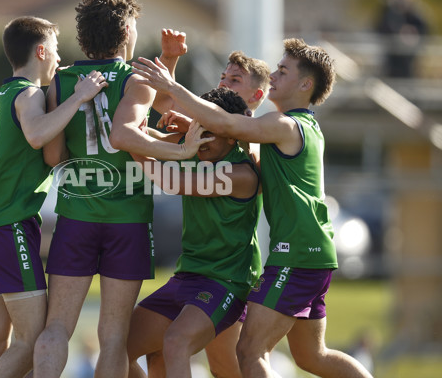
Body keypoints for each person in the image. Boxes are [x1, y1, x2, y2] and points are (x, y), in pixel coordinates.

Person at [132, 38, 373, 378]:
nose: (274, 74)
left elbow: (233, 129)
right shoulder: (290, 127)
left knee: (249, 352)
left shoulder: (284, 125)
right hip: (308, 252)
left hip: (294, 255)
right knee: (311, 357)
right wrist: (197, 130)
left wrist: (169, 92)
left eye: (283, 71)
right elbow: (238, 138)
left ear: (305, 85)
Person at [33, 0, 210, 378]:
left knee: (56, 328)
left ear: (82, 36)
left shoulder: (60, 84)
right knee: (113, 336)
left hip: (75, 217)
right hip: (127, 221)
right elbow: (171, 112)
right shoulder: (136, 79)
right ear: (127, 29)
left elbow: (51, 157)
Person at [0, 16, 107, 378]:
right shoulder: (28, 93)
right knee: (30, 343)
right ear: (41, 50)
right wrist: (78, 96)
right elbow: (36, 134)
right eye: (57, 52)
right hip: (10, 226)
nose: (59, 61)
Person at [146, 49, 271, 378]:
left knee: (231, 365)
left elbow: (174, 176)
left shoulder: (252, 147)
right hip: (192, 272)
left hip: (230, 275)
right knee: (139, 350)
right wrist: (171, 59)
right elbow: (164, 108)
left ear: (256, 97)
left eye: (235, 80)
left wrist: (130, 138)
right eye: (223, 77)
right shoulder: (205, 138)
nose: (226, 83)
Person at [376, 0, 429, 78]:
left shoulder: (416, 13)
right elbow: (382, 26)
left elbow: (425, 29)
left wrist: (413, 34)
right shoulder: (391, 11)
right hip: (391, 62)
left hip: (410, 62)